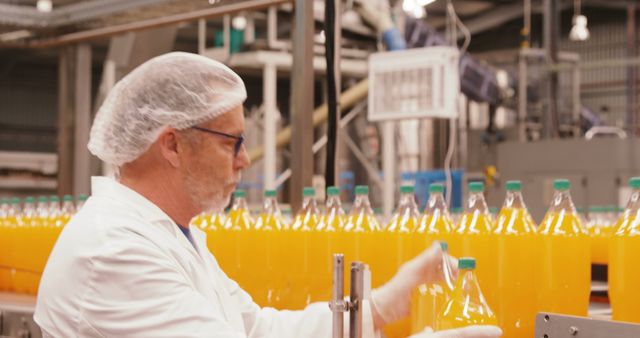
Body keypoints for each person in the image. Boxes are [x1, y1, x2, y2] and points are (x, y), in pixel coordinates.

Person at [34, 52, 501, 338]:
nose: (246, 160)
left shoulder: (173, 236)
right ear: (172, 144)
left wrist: (380, 305)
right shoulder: (115, 251)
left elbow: (256, 330)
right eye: (231, 142)